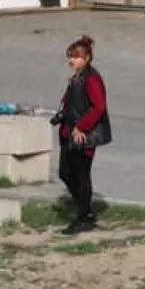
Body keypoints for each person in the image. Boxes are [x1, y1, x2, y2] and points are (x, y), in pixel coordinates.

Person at [52, 34, 111, 235]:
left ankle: (84, 215)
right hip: (69, 133)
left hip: (83, 136)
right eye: (70, 56)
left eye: (76, 57)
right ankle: (84, 209)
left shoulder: (92, 78)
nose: (72, 60)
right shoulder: (77, 77)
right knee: (65, 173)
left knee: (81, 175)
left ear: (87, 59)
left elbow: (99, 107)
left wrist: (81, 127)